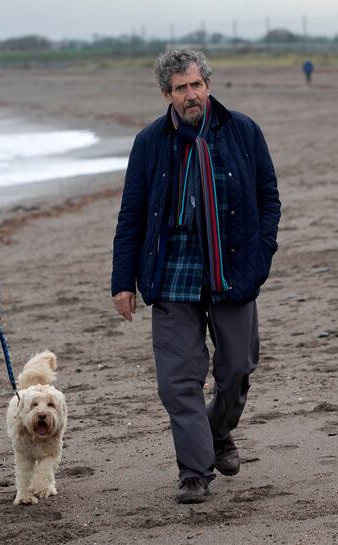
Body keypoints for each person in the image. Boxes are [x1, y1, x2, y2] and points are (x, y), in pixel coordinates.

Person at [111, 50, 281, 504]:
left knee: (236, 371)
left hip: (232, 271)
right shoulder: (150, 142)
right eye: (181, 88)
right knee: (177, 380)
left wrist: (262, 253)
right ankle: (194, 472)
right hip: (172, 274)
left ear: (208, 84)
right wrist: (122, 281)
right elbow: (131, 216)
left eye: (197, 85)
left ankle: (217, 432)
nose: (192, 95)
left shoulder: (242, 130)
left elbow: (268, 197)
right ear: (166, 93)